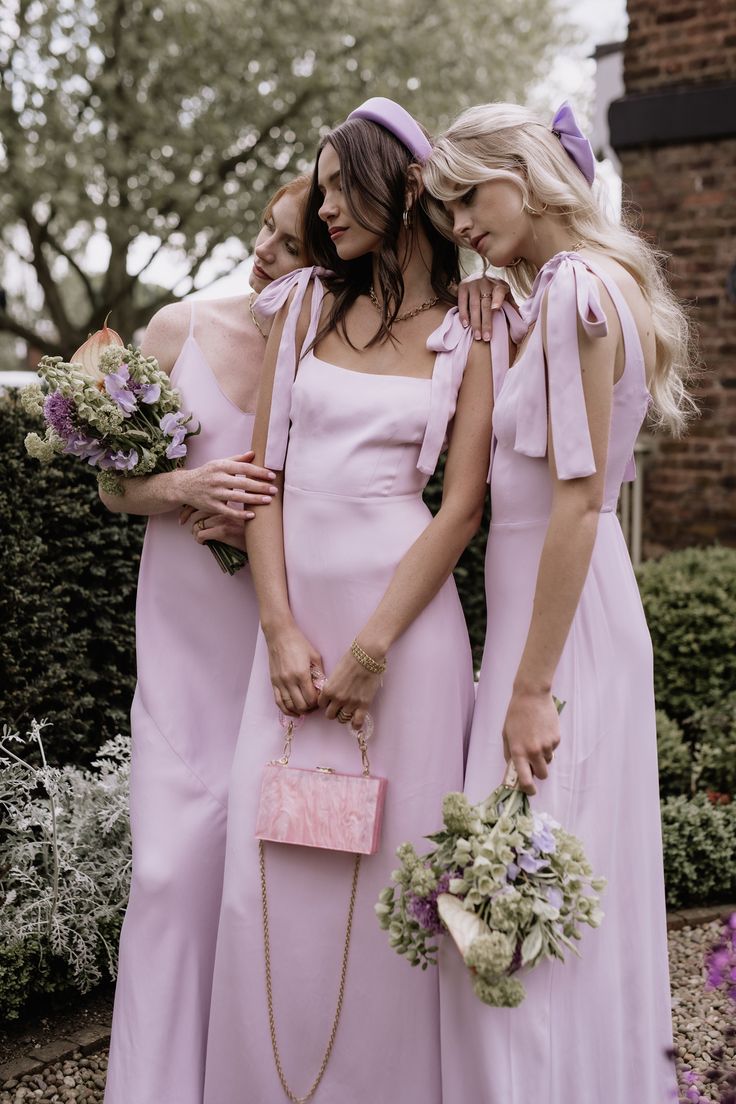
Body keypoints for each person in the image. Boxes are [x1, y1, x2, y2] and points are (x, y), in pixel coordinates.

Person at [202, 98, 517, 1104]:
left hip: (405, 638)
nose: (324, 206)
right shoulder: (300, 306)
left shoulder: (473, 329)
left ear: (402, 187)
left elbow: (460, 506)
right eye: (322, 186)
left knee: (394, 876)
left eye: (342, 185)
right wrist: (279, 628)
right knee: (270, 873)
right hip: (292, 636)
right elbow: (265, 479)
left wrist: (374, 650)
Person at [422, 101, 695, 1104]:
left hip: (560, 637)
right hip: (563, 619)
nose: (458, 225)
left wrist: (530, 688)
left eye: (467, 196)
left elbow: (578, 505)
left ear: (526, 173)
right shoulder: (567, 291)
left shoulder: (579, 290)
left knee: (513, 905)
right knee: (527, 900)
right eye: (446, 207)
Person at [101, 175, 312, 1104]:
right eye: (265, 230)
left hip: (276, 647)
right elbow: (113, 489)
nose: (264, 251)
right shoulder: (178, 326)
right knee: (163, 874)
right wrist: (183, 491)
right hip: (181, 648)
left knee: (255, 892)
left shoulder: (336, 354)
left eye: (291, 244)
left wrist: (270, 525)